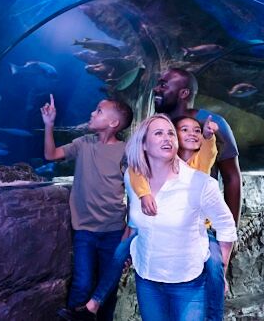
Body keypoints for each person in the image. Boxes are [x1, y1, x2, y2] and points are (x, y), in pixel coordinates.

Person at [83, 115, 219, 316]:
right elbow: (136, 173)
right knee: (120, 252)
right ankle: (94, 303)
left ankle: (216, 312)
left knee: (215, 265)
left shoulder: (200, 162)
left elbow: (209, 150)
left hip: (198, 232)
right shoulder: (156, 162)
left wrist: (209, 135)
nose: (192, 133)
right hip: (151, 232)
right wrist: (144, 196)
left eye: (197, 130)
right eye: (184, 130)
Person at [127, 114, 237, 320]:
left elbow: (226, 226)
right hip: (146, 277)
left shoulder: (200, 183)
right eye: (158, 133)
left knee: (214, 267)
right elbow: (134, 222)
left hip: (188, 282)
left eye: (170, 133)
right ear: (143, 143)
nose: (167, 138)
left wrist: (222, 264)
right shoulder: (134, 180)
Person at [153, 68, 242, 320]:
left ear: (183, 93)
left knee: (208, 297)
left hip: (204, 227)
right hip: (166, 228)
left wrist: (228, 237)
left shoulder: (211, 123)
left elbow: (232, 178)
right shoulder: (158, 125)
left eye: (163, 84)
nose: (156, 89)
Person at [41, 94, 133, 321]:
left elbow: (135, 191)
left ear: (114, 123)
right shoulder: (83, 143)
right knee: (82, 283)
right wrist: (49, 125)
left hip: (113, 230)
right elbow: (50, 155)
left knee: (107, 287)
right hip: (84, 230)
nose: (92, 113)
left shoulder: (126, 152)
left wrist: (128, 231)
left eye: (99, 111)